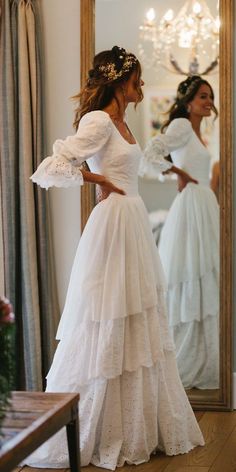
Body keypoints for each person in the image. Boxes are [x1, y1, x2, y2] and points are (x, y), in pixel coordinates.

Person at [25, 47, 204, 470]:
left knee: (137, 319)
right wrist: (94, 176)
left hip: (134, 224)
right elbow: (52, 166)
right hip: (112, 229)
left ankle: (138, 426)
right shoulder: (99, 119)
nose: (141, 86)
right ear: (121, 81)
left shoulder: (123, 122)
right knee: (105, 317)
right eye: (137, 79)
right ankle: (93, 427)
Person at [140, 75, 219, 390]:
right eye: (202, 96)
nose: (208, 101)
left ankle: (207, 359)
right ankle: (182, 363)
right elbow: (150, 153)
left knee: (207, 278)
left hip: (205, 205)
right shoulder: (183, 126)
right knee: (189, 277)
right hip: (191, 209)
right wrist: (176, 172)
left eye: (210, 96)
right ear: (188, 102)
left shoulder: (201, 132)